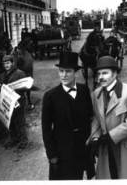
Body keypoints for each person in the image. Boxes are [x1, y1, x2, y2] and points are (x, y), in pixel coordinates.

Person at [87, 56, 127, 179]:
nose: (100, 77)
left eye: (105, 73)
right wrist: (94, 138)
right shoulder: (96, 94)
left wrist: (109, 137)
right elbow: (97, 121)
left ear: (115, 73)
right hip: (106, 149)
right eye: (98, 74)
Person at [41, 52, 94, 180]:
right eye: (61, 71)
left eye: (68, 71)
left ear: (75, 72)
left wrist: (90, 145)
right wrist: (52, 154)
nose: (64, 75)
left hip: (82, 149)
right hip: (62, 151)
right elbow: (46, 129)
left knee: (79, 177)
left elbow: (90, 117)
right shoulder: (50, 96)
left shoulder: (83, 90)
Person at [0, 55, 28, 149]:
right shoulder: (2, 75)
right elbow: (1, 86)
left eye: (8, 63)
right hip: (8, 101)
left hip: (19, 101)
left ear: (12, 63)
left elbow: (26, 87)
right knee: (10, 121)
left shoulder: (20, 73)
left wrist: (15, 89)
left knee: (20, 121)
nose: (6, 65)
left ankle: (23, 140)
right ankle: (14, 139)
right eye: (4, 63)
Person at [15, 42, 35, 110]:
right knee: (27, 90)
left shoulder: (23, 56)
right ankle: (28, 102)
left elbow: (17, 66)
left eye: (18, 49)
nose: (17, 51)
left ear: (21, 49)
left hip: (25, 76)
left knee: (23, 90)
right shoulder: (28, 54)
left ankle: (27, 102)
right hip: (28, 76)